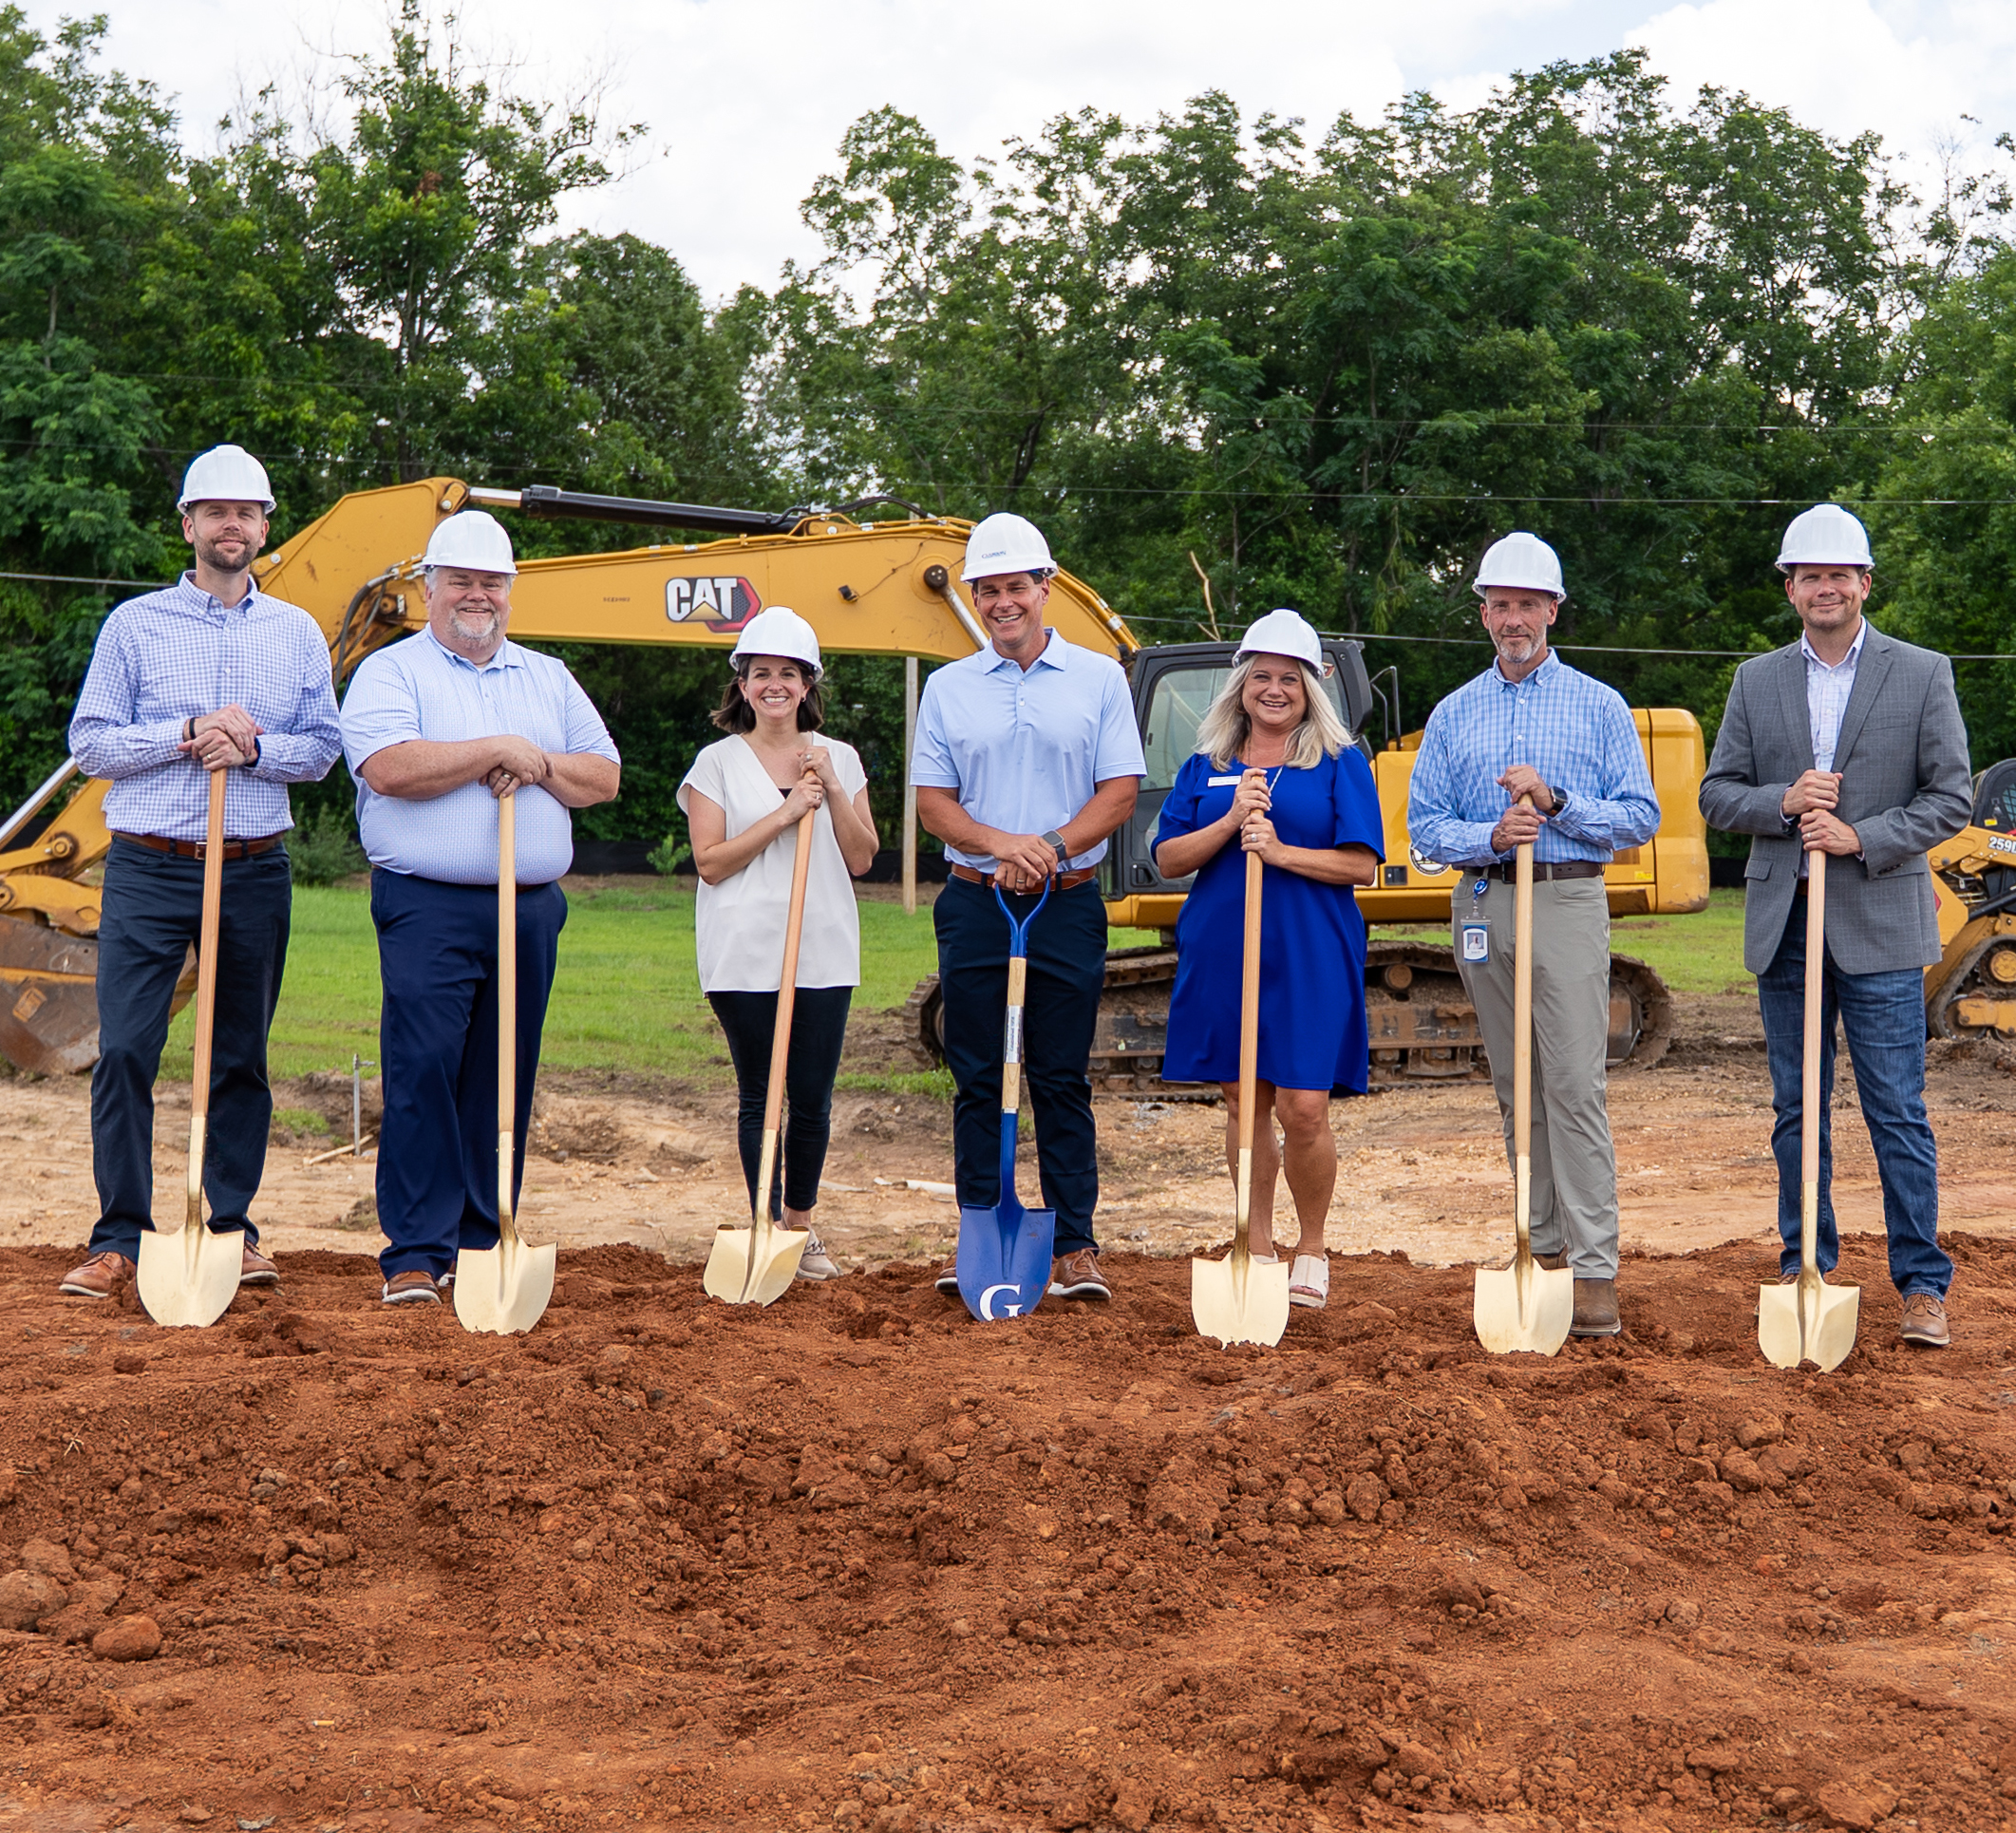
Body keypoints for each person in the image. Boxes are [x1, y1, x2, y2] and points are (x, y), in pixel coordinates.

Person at [61, 444, 343, 1302]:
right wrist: (187, 730)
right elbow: (91, 743)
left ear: (265, 528)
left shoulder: (296, 633)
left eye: (246, 512)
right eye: (214, 511)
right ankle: (120, 1237)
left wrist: (251, 746)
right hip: (149, 866)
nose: (231, 525)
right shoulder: (135, 626)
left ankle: (230, 1229)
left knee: (239, 1057)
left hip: (253, 868)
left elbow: (325, 751)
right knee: (126, 1053)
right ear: (188, 526)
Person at [1699, 503, 1971, 1348]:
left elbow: (1949, 798)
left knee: (1895, 1108)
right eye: (1807, 575)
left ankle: (1921, 1285)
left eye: (1837, 575)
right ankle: (1802, 1263)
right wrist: (1781, 803)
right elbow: (1717, 795)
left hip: (1881, 924)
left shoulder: (1921, 672)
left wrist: (1862, 836)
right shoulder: (1756, 680)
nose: (1824, 588)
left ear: (1862, 583)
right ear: (1790, 588)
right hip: (1786, 926)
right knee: (1796, 1108)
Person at [339, 510, 620, 1306]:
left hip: (529, 906)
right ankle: (415, 1253)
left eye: (491, 582)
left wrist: (531, 765)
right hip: (428, 904)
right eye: (459, 580)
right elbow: (390, 767)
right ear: (430, 588)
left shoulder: (547, 676)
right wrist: (492, 750)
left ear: (510, 592)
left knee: (505, 1072)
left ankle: (482, 1236)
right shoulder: (394, 673)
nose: (477, 595)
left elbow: (600, 776)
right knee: (424, 1066)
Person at [1406, 532, 1660, 1336]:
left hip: (1566, 901)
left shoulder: (1597, 704)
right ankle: (1538, 1247)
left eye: (1527, 604)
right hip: (1485, 902)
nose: (1512, 618)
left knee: (1573, 1087)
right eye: (1499, 604)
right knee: (1516, 1088)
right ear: (1483, 613)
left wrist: (1553, 806)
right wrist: (1488, 837)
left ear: (1552, 609)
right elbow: (1422, 828)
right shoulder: (1454, 712)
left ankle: (1592, 1268)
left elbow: (1640, 817)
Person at [912, 512, 1144, 1301]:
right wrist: (999, 843)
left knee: (1057, 1075)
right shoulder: (948, 688)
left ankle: (1074, 1244)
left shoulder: (1099, 678)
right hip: (977, 903)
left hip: (1066, 903)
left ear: (1045, 589)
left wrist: (1044, 844)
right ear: (974, 597)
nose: (1002, 602)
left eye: (1016, 587)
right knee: (978, 1072)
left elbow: (1117, 793)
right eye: (988, 590)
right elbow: (934, 805)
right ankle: (980, 1223)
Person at [1153, 610, 1384, 1310]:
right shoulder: (1207, 766)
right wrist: (1228, 822)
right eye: (1261, 677)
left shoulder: (1341, 765)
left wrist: (1279, 851)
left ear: (1310, 689)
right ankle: (1253, 1243)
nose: (1274, 689)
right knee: (1240, 1099)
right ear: (1240, 687)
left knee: (1303, 1106)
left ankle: (1310, 1246)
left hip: (1310, 947)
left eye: (1289, 678)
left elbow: (1360, 866)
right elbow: (1165, 859)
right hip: (1224, 945)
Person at [678, 608, 878, 1279]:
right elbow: (710, 861)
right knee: (761, 1094)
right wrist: (787, 812)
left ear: (806, 685)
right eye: (760, 672)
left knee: (813, 1096)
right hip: (742, 950)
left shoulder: (840, 758)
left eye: (787, 674)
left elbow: (860, 857)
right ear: (740, 684)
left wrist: (832, 792)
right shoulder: (716, 764)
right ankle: (762, 1226)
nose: (773, 685)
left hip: (822, 945)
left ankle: (800, 1227)